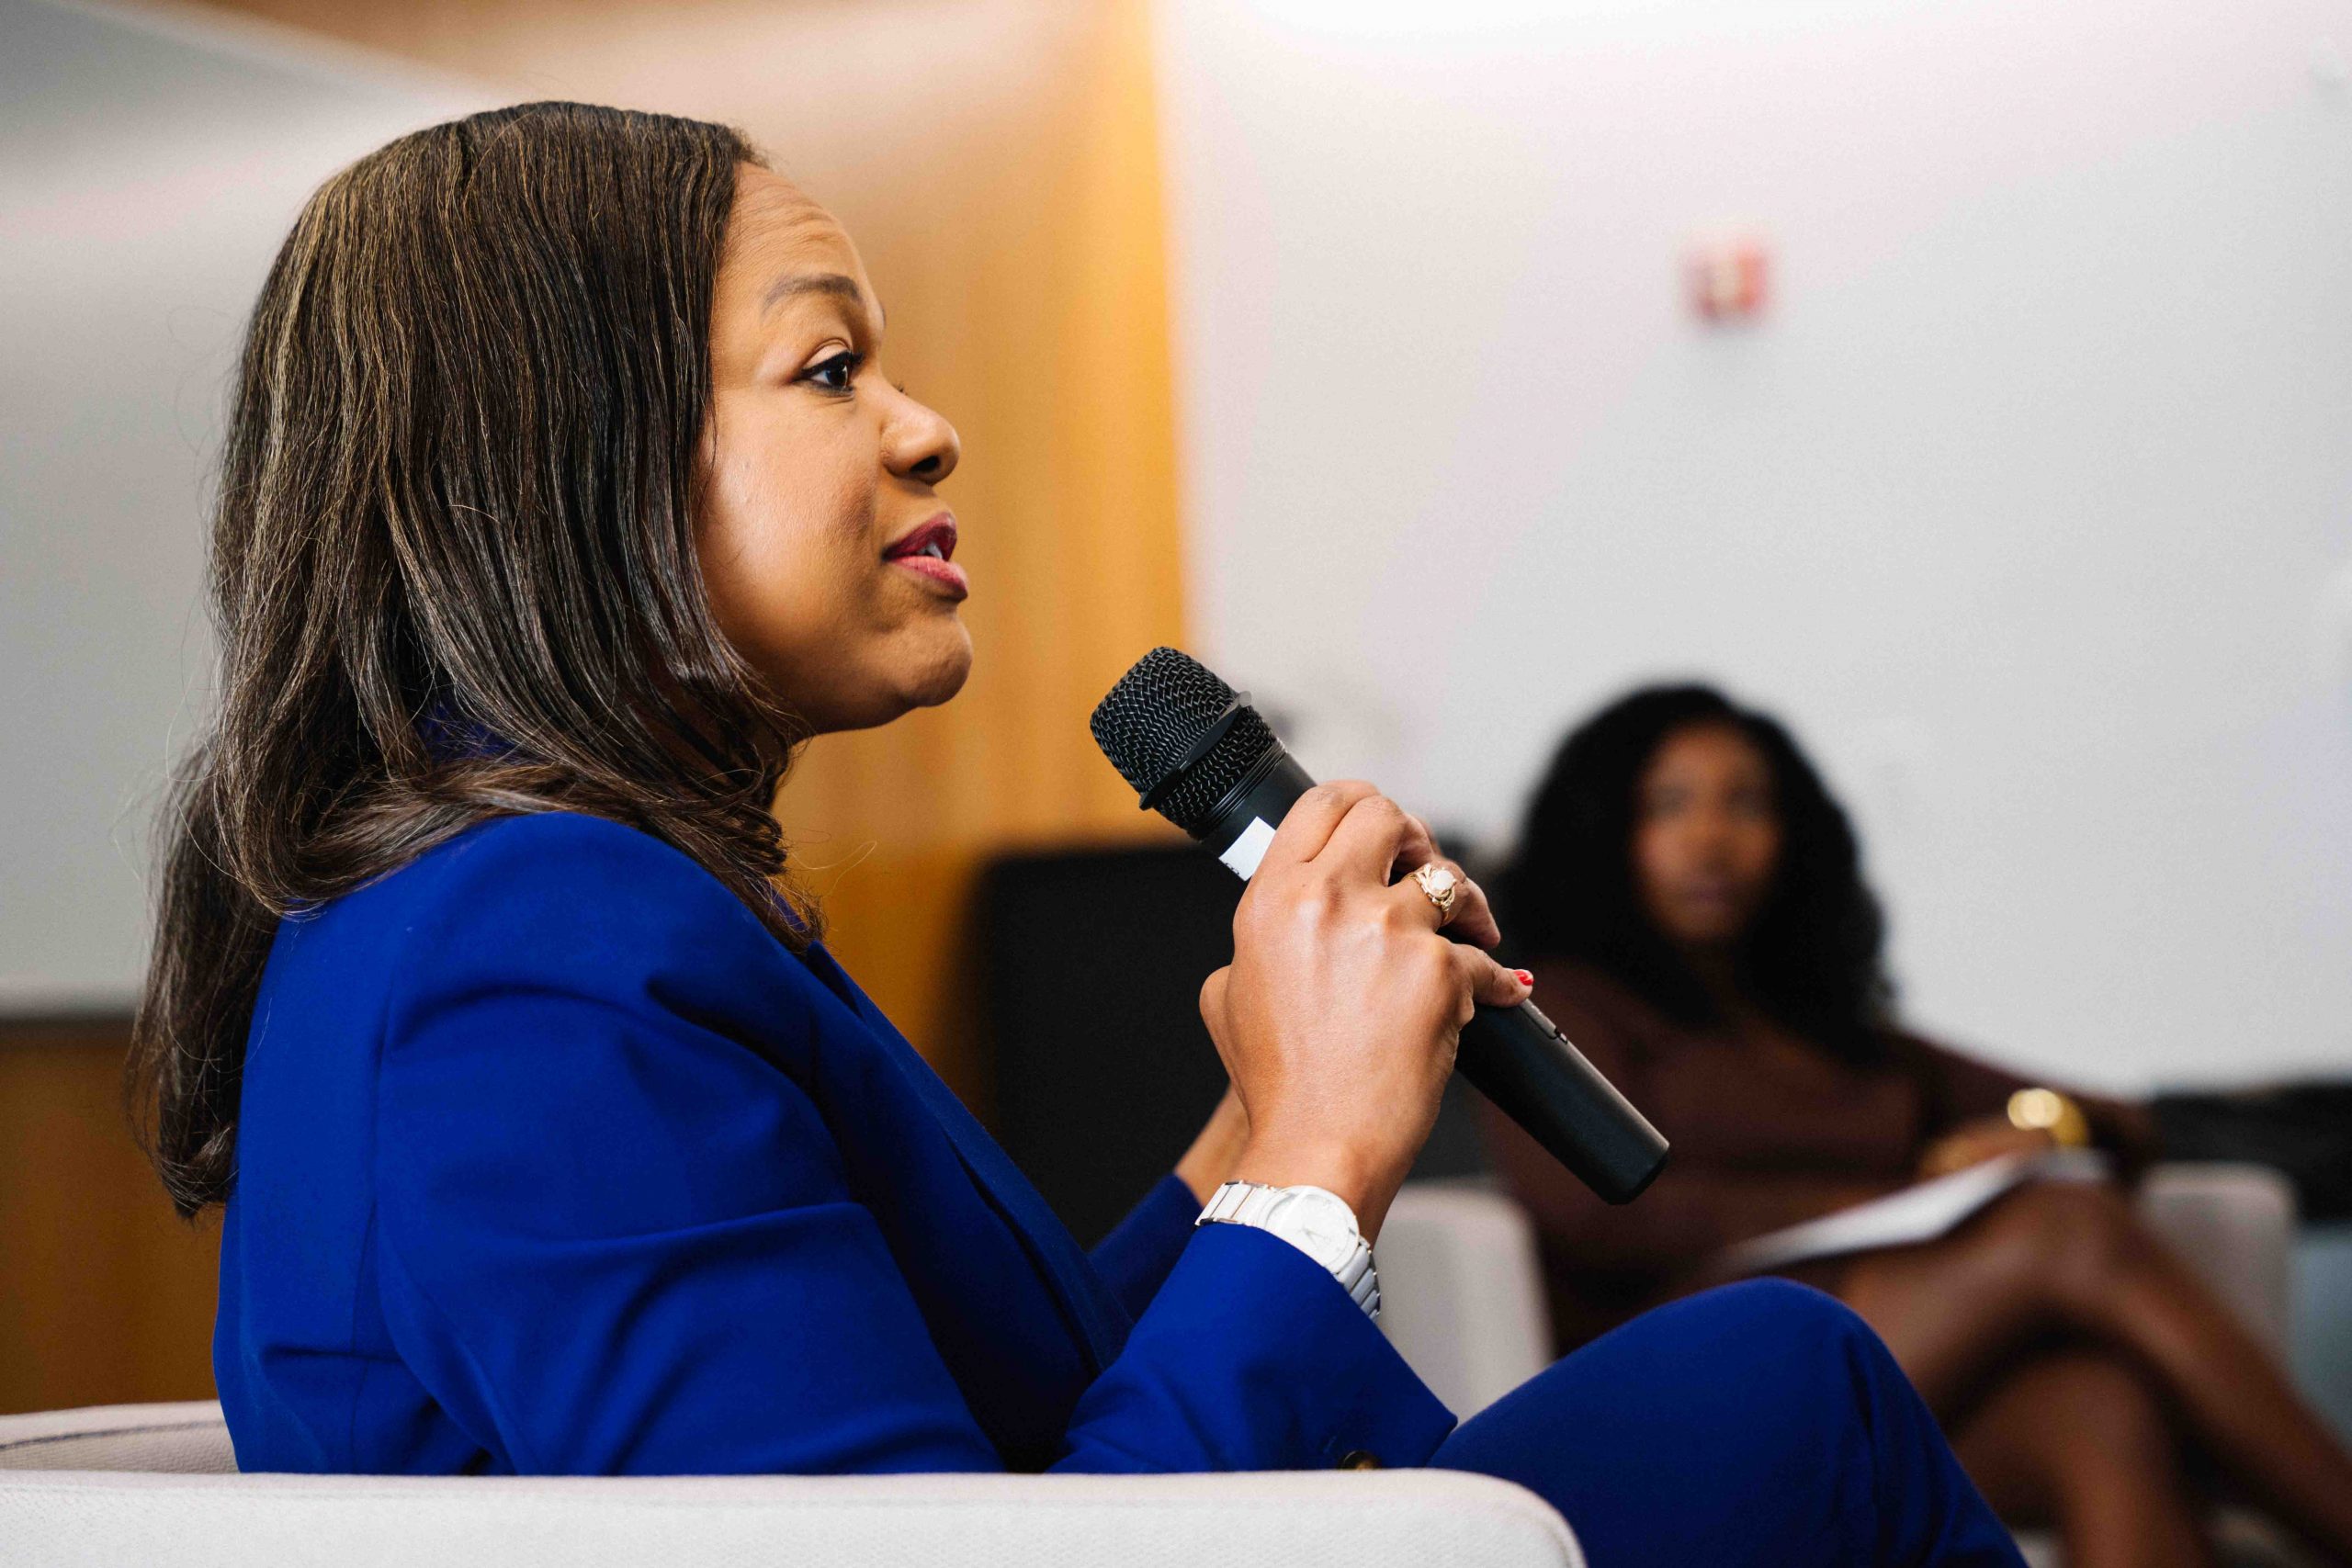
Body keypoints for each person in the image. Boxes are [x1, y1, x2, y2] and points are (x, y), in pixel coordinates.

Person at [131, 103, 2021, 1567]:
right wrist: (1315, 1158)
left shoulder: (562, 904)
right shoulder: (525, 959)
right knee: (1789, 1389)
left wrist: (1250, 1122)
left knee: (1771, 1377)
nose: (928, 427)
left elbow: (965, 1423)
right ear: (568, 462)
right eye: (825, 369)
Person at [1487, 683, 2352, 1568]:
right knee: (2065, 1228)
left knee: (2100, 1408)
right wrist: (1887, 1195)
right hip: (1694, 1373)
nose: (1712, 838)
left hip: (1873, 1360)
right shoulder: (1558, 1004)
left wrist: (2039, 1125)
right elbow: (1593, 1217)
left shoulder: (1825, 1028)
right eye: (1670, 804)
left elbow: (2119, 1121)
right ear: (1602, 831)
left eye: (1745, 802)